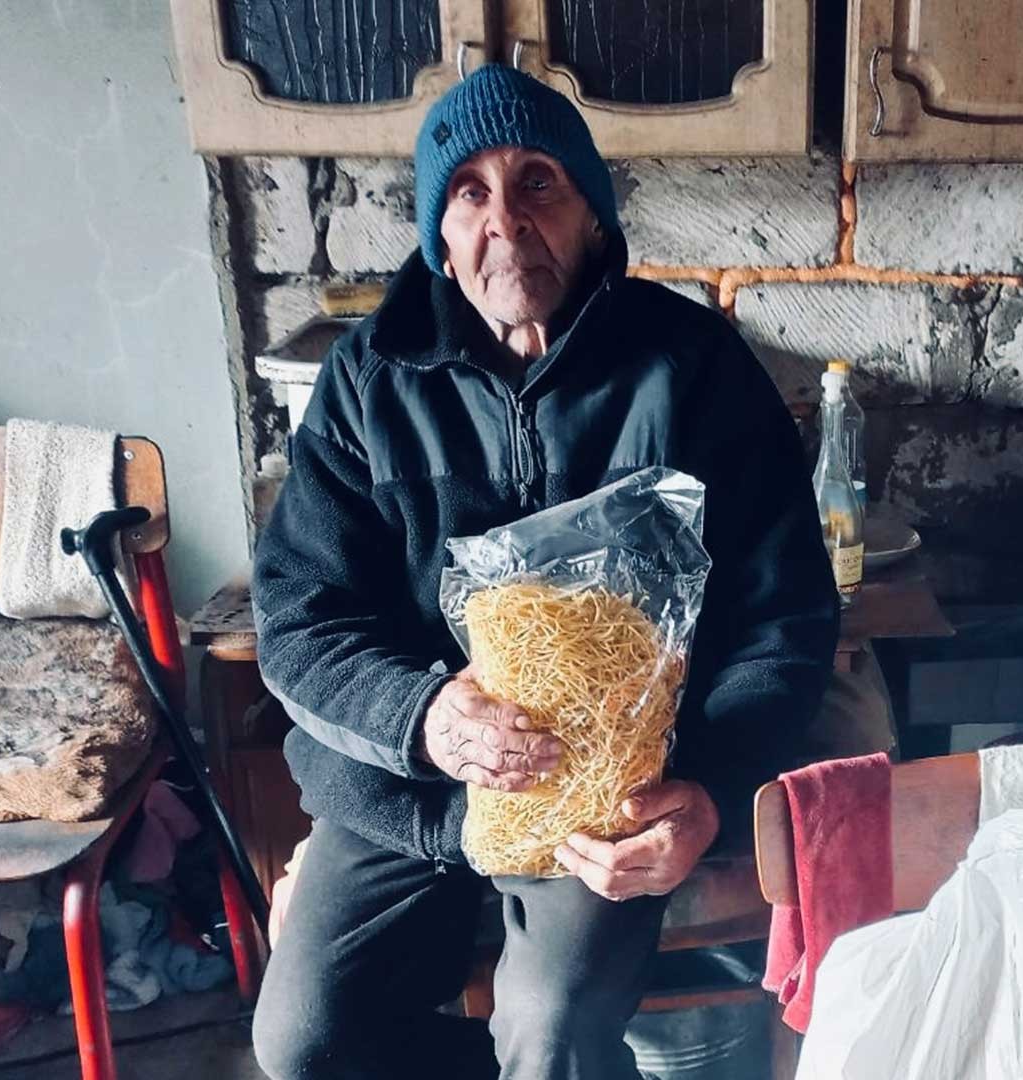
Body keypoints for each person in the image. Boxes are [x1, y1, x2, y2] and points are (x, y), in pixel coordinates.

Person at [249, 62, 839, 1080]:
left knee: (553, 1027)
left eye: (538, 185)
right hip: (407, 787)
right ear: (439, 232)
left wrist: (703, 787)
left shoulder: (693, 369)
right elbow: (301, 626)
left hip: (606, 797)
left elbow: (782, 619)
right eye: (470, 192)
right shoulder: (366, 383)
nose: (507, 224)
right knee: (303, 1042)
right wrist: (425, 719)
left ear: (593, 218)